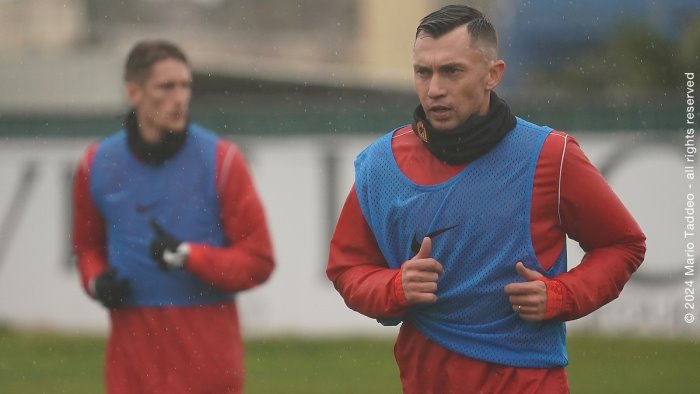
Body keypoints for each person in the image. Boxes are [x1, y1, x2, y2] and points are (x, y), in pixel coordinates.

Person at [326, 5, 646, 393]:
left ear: (493, 74)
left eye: (452, 71)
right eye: (423, 72)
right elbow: (347, 269)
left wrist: (561, 295)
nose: (435, 88)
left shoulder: (552, 155)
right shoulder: (380, 165)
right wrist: (395, 287)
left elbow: (623, 244)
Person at [72, 40, 275, 393]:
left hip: (208, 371)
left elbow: (259, 262)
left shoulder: (223, 162)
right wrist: (96, 282)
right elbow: (86, 249)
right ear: (134, 92)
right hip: (130, 371)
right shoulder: (96, 164)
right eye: (166, 87)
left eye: (185, 86)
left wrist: (190, 257)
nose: (179, 97)